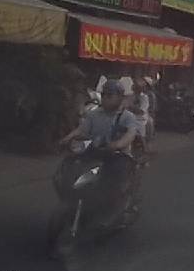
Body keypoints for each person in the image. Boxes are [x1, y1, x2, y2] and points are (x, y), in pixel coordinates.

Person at [58, 80, 140, 208]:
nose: (105, 98)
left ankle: (117, 206)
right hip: (96, 152)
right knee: (71, 166)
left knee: (116, 180)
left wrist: (117, 144)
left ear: (119, 97)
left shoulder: (127, 117)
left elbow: (130, 135)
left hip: (118, 156)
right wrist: (68, 138)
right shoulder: (94, 114)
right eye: (103, 95)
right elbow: (82, 130)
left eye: (109, 95)